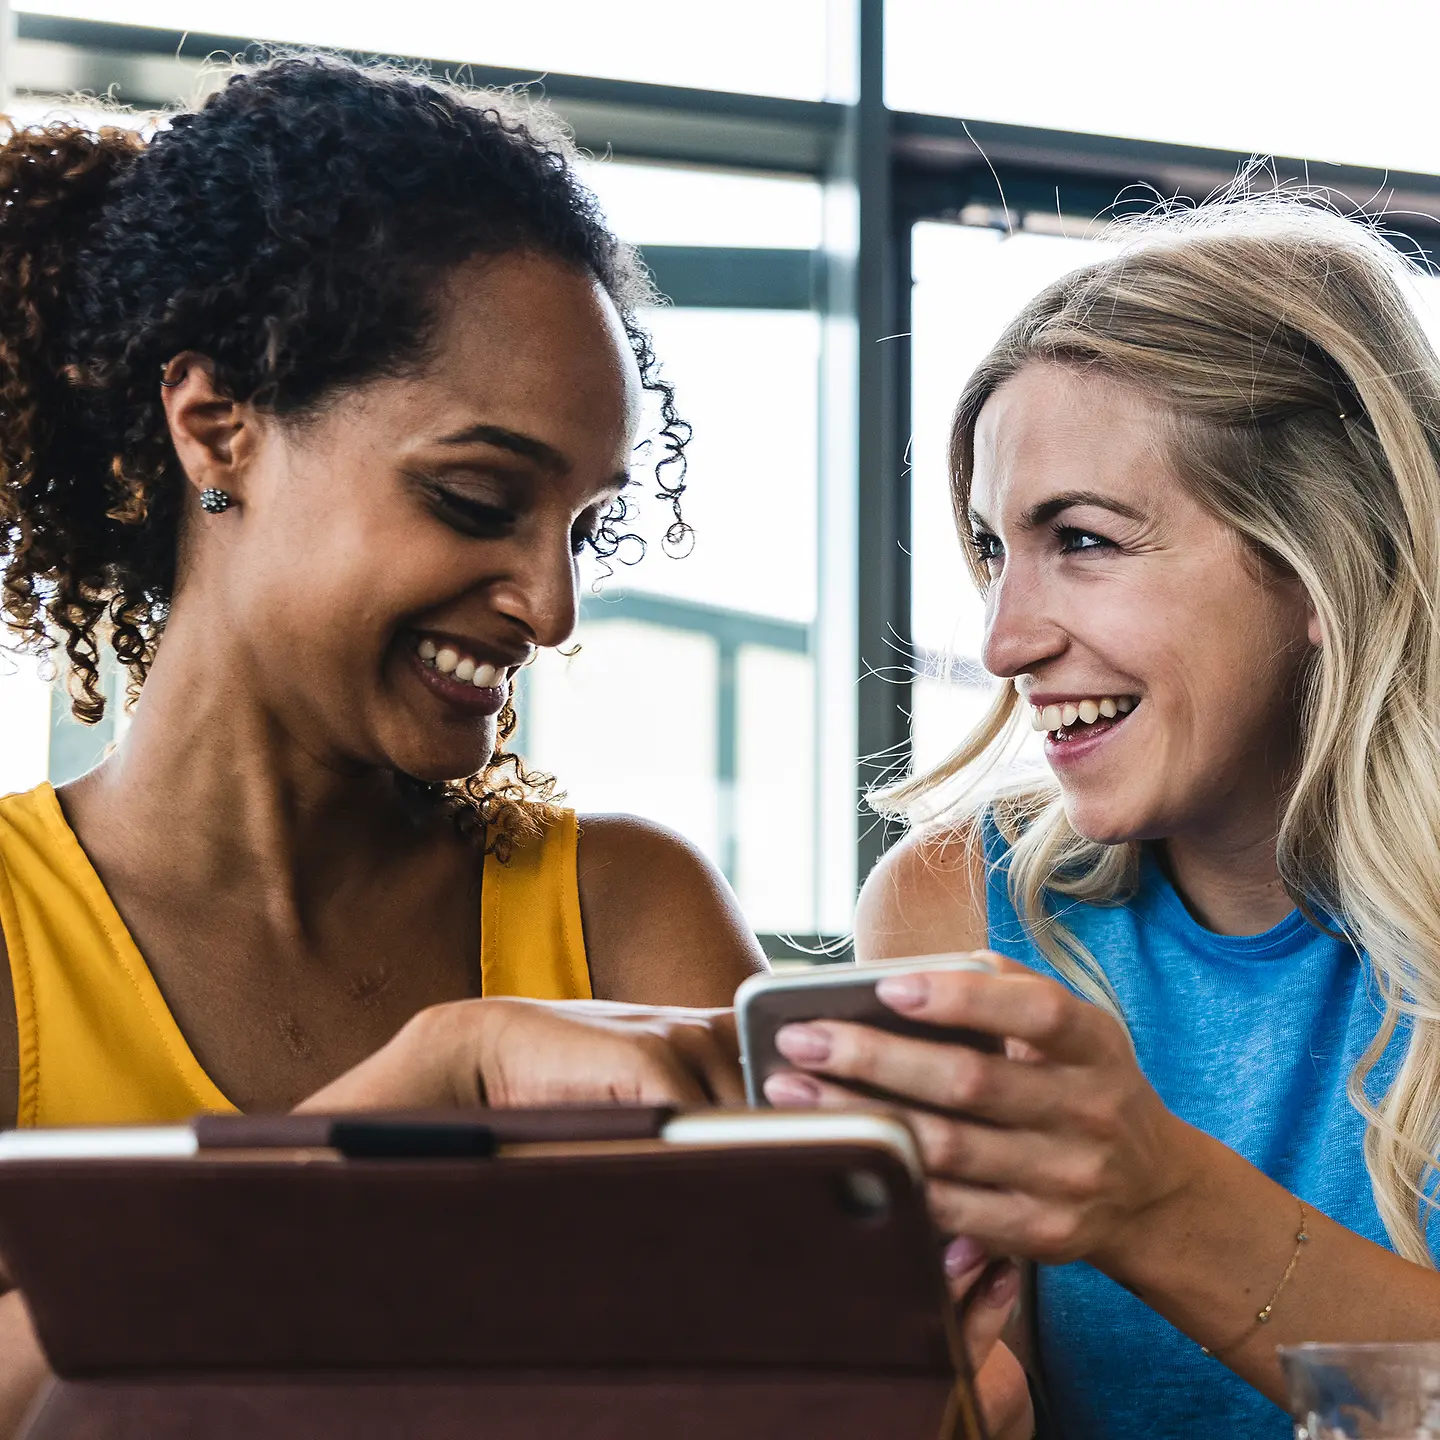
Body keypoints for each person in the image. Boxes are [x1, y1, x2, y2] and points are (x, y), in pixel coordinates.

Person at [0, 56, 768, 1430]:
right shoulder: (13, 937)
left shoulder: (626, 921)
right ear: (215, 426)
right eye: (478, 500)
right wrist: (422, 1096)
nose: (551, 604)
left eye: (581, 529)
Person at [761, 196, 1440, 1437]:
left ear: (1326, 560)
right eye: (993, 549)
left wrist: (1152, 1202)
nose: (1007, 639)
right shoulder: (955, 905)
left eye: (1082, 540)